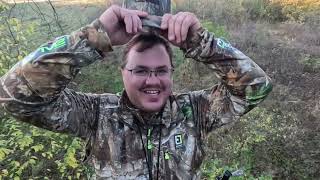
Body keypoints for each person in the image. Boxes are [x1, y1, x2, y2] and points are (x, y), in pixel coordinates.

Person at [0, 4, 272, 180]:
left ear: (171, 72)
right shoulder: (95, 115)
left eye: (161, 70)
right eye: (140, 70)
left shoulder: (194, 112)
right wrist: (95, 36)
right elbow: (14, 94)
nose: (152, 81)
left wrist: (200, 41)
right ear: (122, 73)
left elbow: (256, 87)